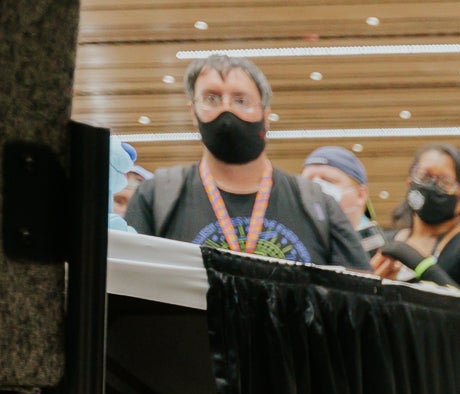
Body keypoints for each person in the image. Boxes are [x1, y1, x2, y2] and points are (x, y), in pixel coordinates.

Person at [124, 55, 370, 270]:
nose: (226, 110)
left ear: (265, 114)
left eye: (241, 100)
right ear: (193, 112)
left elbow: (359, 297)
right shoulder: (156, 197)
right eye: (212, 99)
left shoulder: (317, 204)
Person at [368, 144, 460, 295]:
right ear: (410, 181)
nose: (430, 186)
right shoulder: (383, 243)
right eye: (424, 176)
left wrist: (420, 265)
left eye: (444, 183)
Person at [300, 145, 384, 256]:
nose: (315, 188)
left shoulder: (383, 254)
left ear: (360, 195)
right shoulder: (296, 248)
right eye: (308, 182)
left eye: (328, 181)